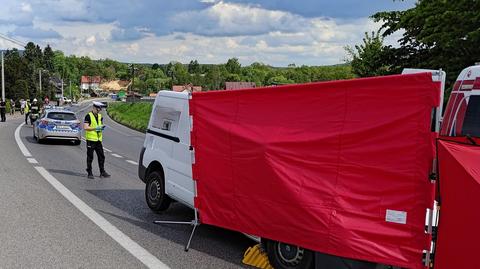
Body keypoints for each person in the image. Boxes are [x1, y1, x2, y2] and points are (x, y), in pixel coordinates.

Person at [83, 101, 110, 179]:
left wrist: (101, 127)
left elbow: (100, 124)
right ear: (94, 108)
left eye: (100, 109)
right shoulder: (88, 116)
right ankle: (89, 172)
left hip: (98, 140)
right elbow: (85, 127)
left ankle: (102, 172)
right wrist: (95, 128)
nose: (98, 111)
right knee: (90, 156)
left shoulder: (100, 116)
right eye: (97, 109)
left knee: (102, 156)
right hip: (91, 140)